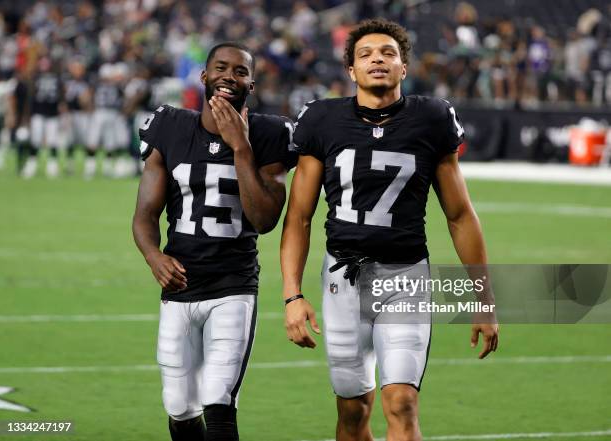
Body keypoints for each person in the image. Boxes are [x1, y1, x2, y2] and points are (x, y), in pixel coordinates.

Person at [280, 19, 499, 441]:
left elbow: (460, 215)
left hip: (405, 278)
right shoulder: (322, 119)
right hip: (342, 280)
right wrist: (293, 294)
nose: (377, 59)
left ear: (403, 67)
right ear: (351, 71)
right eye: (365, 54)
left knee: (401, 401)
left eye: (388, 53)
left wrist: (484, 298)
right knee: (352, 412)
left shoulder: (432, 118)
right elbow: (298, 217)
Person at [132, 42, 294, 441]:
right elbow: (144, 215)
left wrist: (241, 148)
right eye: (221, 68)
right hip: (180, 284)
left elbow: (265, 219)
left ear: (251, 84)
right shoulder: (169, 125)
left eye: (240, 71)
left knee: (218, 398)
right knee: (180, 407)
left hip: (232, 286)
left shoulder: (270, 134)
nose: (229, 76)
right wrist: (153, 256)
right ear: (204, 76)